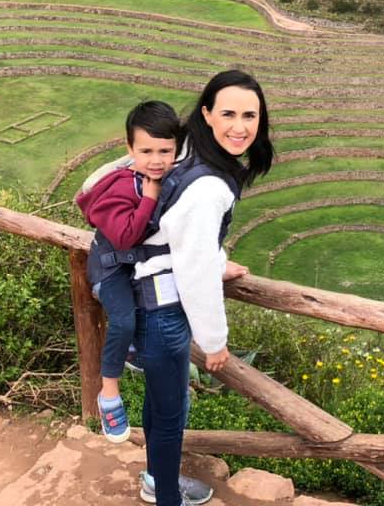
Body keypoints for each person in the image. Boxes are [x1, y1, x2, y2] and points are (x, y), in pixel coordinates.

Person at [132, 70, 273, 506]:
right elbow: (192, 268)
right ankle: (166, 497)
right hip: (164, 314)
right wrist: (214, 343)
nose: (240, 126)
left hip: (142, 299)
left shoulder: (188, 151)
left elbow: (181, 236)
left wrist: (219, 261)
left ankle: (157, 481)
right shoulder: (210, 186)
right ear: (207, 113)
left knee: (159, 405)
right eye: (228, 113)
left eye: (250, 115)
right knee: (172, 415)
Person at [76, 100, 182, 444]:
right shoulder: (121, 186)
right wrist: (150, 196)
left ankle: (134, 350)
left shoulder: (168, 175)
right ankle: (108, 394)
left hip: (136, 267)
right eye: (146, 151)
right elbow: (124, 236)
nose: (156, 160)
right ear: (130, 150)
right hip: (110, 271)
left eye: (165, 151)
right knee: (122, 320)